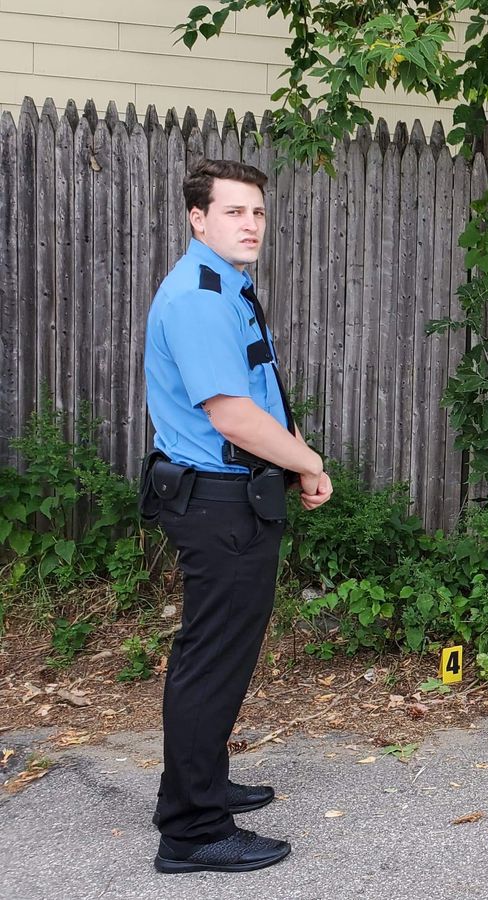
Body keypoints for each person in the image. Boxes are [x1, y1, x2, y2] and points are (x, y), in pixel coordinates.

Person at [140, 158, 333, 873]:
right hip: (217, 500)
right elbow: (231, 414)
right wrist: (309, 462)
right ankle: (192, 830)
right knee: (212, 658)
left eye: (257, 212)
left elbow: (254, 397)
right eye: (233, 211)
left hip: (232, 495)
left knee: (220, 654)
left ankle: (200, 784)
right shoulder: (199, 297)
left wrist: (292, 459)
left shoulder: (227, 286)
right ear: (198, 218)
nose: (250, 224)